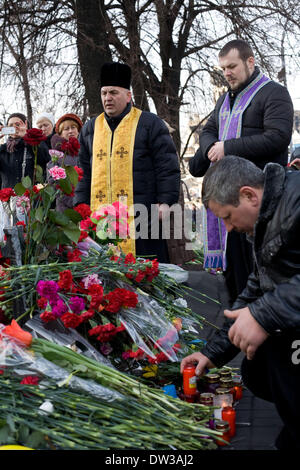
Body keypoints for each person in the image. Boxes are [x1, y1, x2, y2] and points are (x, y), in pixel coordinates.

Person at [181, 155, 300, 450]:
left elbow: (263, 302)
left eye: (227, 217)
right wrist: (211, 354)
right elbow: (256, 287)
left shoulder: (296, 204)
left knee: (278, 361)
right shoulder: (268, 214)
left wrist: (262, 316)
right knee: (258, 366)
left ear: (248, 195)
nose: (229, 228)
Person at [189, 39, 294, 304]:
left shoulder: (274, 93)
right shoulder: (224, 100)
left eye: (232, 66)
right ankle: (238, 331)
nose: (227, 73)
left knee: (263, 278)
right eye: (223, 68)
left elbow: (278, 137)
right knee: (235, 280)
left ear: (250, 62)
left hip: (261, 206)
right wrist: (212, 146)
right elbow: (208, 130)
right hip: (229, 206)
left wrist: (229, 147)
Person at [75, 62, 180, 262]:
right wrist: (81, 205)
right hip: (100, 218)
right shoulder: (90, 128)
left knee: (146, 274)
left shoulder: (149, 123)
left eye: (113, 92)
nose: (107, 98)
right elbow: (83, 171)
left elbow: (167, 166)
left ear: (128, 95)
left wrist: (165, 202)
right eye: (104, 93)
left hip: (143, 215)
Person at [0, 112, 49, 190]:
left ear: (26, 126)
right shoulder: (3, 150)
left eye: (17, 125)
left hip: (32, 197)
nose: (14, 128)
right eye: (10, 126)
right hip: (9, 198)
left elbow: (45, 158)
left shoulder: (36, 144)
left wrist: (27, 137)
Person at [47, 113, 83, 212]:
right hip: (65, 207)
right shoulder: (57, 156)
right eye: (66, 129)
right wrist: (73, 201)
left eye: (73, 127)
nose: (71, 131)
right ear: (61, 133)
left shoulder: (86, 151)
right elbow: (53, 183)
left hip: (86, 203)